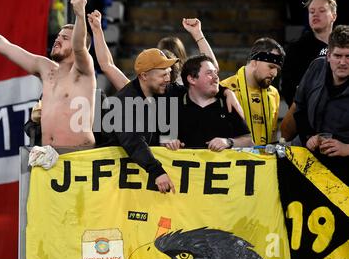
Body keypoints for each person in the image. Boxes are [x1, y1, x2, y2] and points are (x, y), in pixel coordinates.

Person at [87, 10, 242, 194]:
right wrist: (157, 171)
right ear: (144, 76)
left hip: (147, 177)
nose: (168, 77)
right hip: (117, 182)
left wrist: (224, 92)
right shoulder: (125, 101)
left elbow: (205, 78)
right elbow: (134, 142)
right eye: (163, 73)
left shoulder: (166, 90)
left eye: (169, 72)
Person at [0, 0, 96, 148]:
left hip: (79, 158)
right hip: (47, 157)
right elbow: (5, 47)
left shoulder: (83, 71)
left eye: (64, 38)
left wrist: (79, 15)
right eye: (58, 36)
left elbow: (79, 46)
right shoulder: (45, 68)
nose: (58, 39)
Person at [294, 25, 349, 183]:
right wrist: (308, 137)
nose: (343, 62)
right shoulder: (316, 67)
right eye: (338, 56)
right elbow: (300, 109)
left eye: (348, 56)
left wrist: (346, 149)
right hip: (312, 156)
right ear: (328, 55)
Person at [163, 55, 253, 151]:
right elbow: (163, 141)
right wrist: (170, 143)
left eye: (216, 73)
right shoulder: (174, 105)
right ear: (192, 79)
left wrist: (229, 142)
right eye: (209, 73)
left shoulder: (228, 104)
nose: (216, 77)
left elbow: (249, 141)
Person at [280, 0, 337, 142]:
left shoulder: (344, 46)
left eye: (322, 11)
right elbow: (287, 86)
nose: (315, 15)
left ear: (334, 16)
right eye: (312, 12)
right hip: (307, 118)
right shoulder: (296, 48)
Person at [221, 38, 285, 146]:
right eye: (271, 66)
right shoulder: (225, 89)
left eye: (277, 69)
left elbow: (273, 135)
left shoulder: (273, 94)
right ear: (255, 62)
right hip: (233, 160)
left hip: (265, 161)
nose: (274, 73)